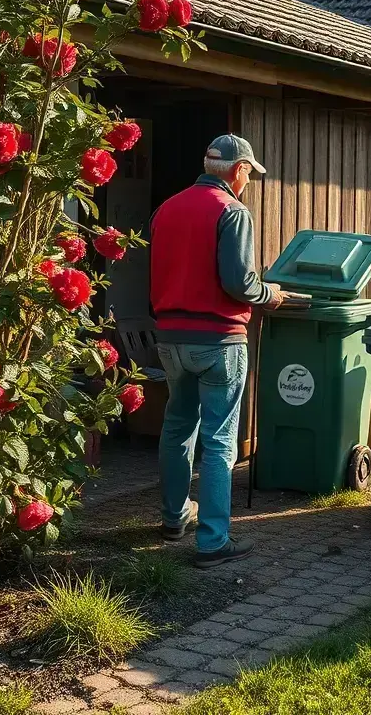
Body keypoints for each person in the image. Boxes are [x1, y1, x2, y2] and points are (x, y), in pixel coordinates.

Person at [150, 134, 284, 569]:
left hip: (170, 337)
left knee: (176, 427)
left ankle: (173, 519)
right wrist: (270, 294)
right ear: (239, 170)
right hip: (219, 341)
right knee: (220, 441)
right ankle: (212, 541)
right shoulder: (232, 211)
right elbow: (238, 284)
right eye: (249, 173)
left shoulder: (166, 208)